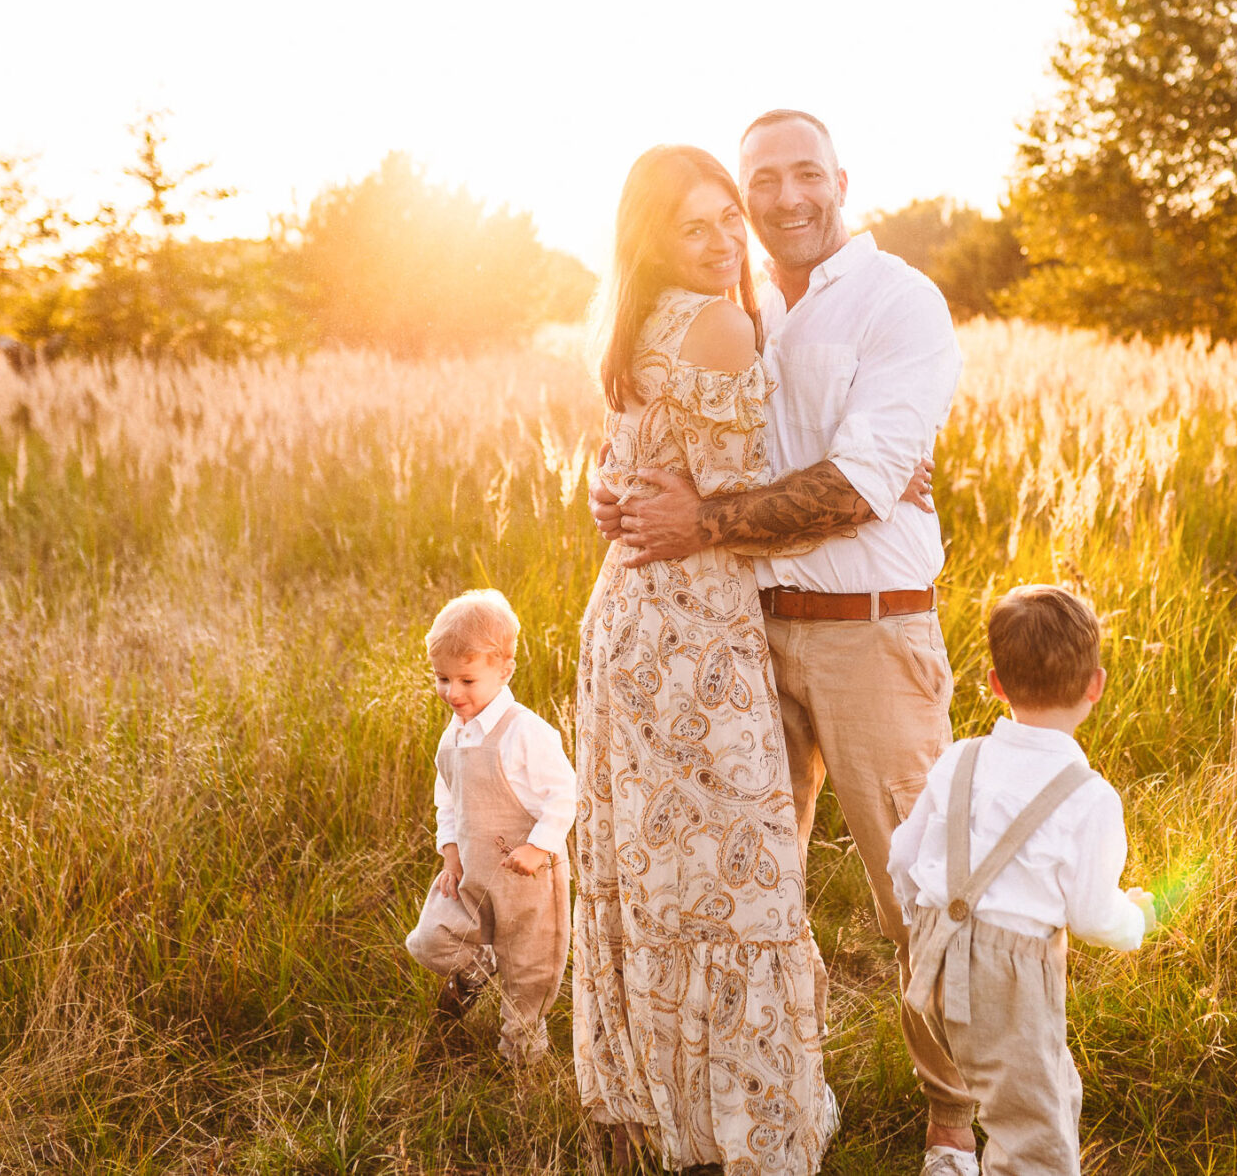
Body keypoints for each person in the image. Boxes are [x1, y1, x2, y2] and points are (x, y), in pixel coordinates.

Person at [599, 109, 977, 1173]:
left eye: (805, 173)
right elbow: (684, 444)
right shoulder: (744, 305)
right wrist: (624, 499)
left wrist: (704, 521)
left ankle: (957, 1114)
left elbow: (858, 483)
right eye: (761, 180)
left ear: (842, 179)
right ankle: (774, 1092)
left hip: (869, 637)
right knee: (754, 885)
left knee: (918, 886)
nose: (784, 197)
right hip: (745, 636)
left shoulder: (899, 301)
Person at [573, 144, 836, 1174]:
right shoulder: (722, 324)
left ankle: (665, 1112)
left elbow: (625, 465)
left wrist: (611, 491)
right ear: (655, 240)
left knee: (657, 871)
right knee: (740, 877)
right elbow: (743, 507)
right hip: (694, 633)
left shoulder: (632, 325)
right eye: (698, 227)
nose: (729, 238)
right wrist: (864, 486)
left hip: (628, 618)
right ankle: (747, 1127)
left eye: (731, 217)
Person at [888, 584, 1159, 1176]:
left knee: (1038, 1086)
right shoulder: (1089, 798)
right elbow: (1090, 915)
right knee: (1035, 1137)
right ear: (1096, 685)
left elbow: (904, 854)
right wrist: (1136, 919)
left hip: (933, 966)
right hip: (1007, 984)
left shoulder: (960, 758)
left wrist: (929, 926)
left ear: (995, 683)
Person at [404, 588, 574, 1065]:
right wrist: (451, 853)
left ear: (504, 669)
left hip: (529, 879)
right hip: (476, 872)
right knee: (433, 937)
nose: (452, 693)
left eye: (466, 680)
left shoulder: (526, 733)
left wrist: (539, 848)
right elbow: (449, 798)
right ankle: (480, 963)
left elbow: (564, 794)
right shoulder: (453, 736)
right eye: (442, 679)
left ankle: (520, 1058)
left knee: (530, 970)